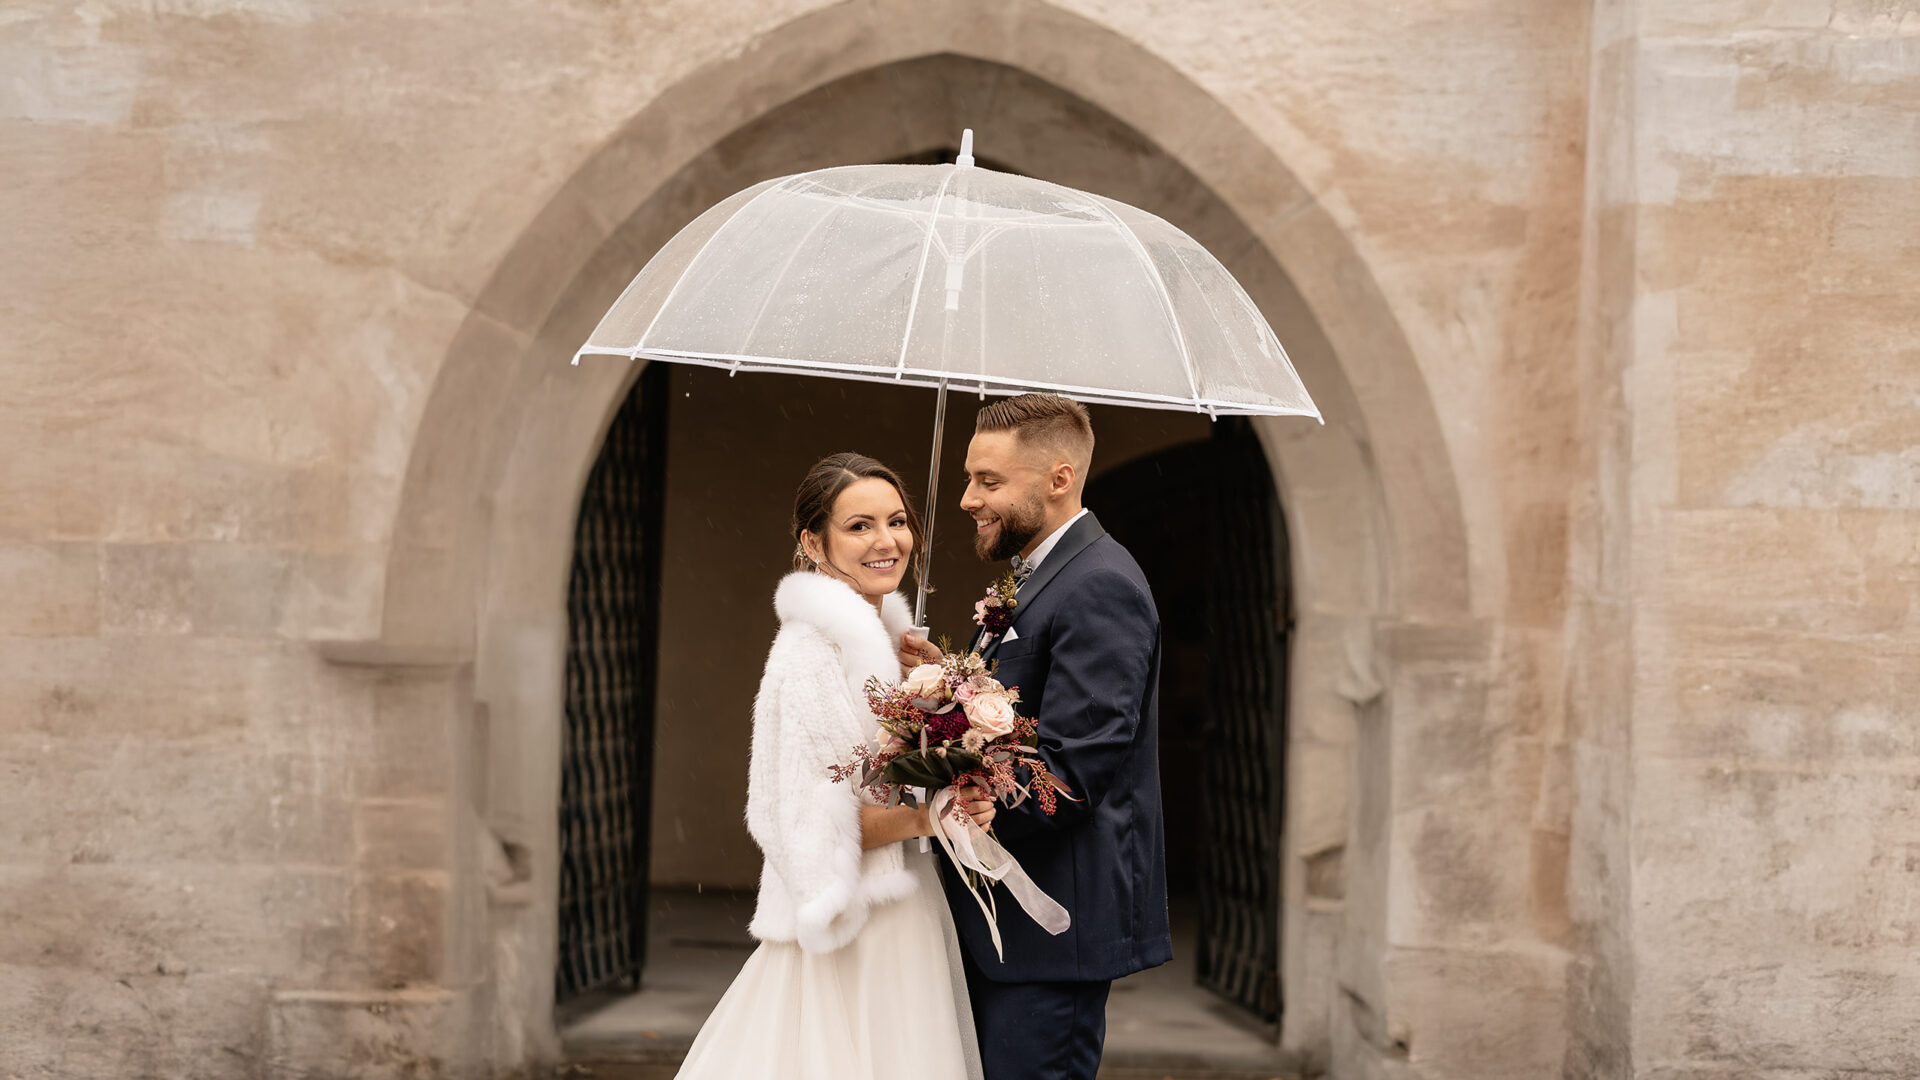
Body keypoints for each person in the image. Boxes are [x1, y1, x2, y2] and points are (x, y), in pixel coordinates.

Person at [675, 452, 991, 1080]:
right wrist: (934, 816)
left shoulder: (894, 658)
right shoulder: (807, 657)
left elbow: (889, 776)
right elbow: (817, 827)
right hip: (851, 927)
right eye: (859, 526)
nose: (887, 541)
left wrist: (948, 694)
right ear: (812, 544)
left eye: (897, 521)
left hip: (906, 909)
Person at [900, 394, 1172, 1080]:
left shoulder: (1101, 584)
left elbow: (1078, 766)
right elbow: (1022, 710)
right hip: (1007, 928)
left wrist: (977, 795)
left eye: (988, 481)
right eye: (968, 478)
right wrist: (950, 688)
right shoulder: (1040, 574)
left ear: (1058, 478)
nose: (966, 499)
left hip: (1054, 927)